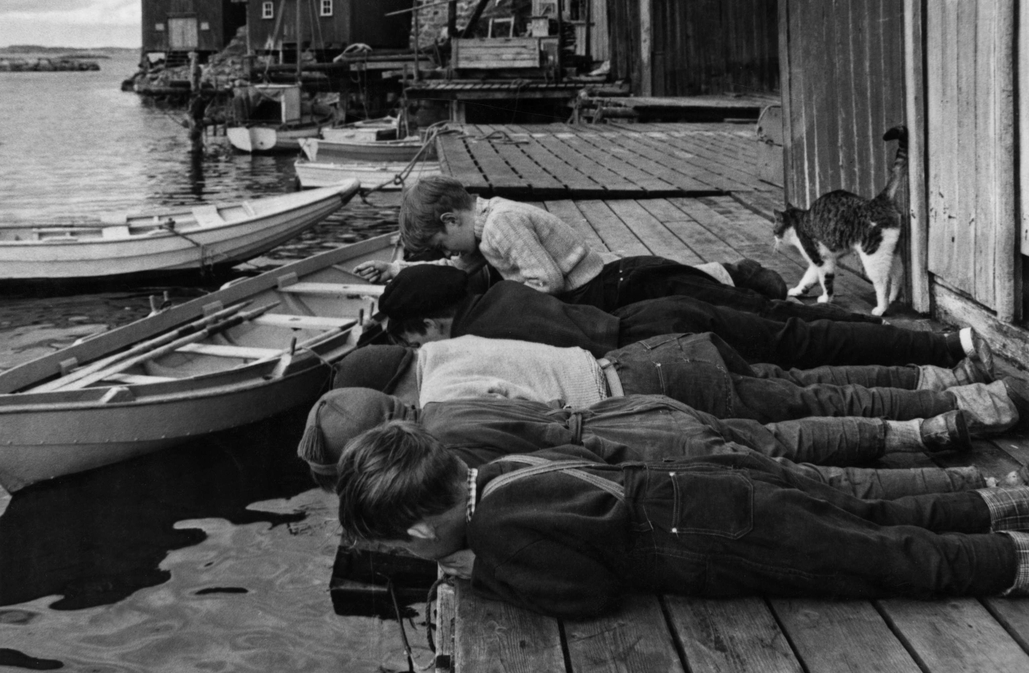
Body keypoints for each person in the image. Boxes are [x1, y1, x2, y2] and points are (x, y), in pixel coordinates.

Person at [334, 422, 1029, 617]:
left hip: (722, 535)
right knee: (865, 512)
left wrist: (483, 574)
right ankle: (998, 500)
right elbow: (580, 458)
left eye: (403, 546)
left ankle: (1012, 559)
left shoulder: (496, 535)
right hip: (707, 482)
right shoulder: (507, 469)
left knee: (881, 559)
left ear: (422, 532)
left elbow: (583, 595)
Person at [298, 386, 998, 501]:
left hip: (635, 453)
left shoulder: (441, 447)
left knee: (805, 483)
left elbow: (550, 470)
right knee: (776, 437)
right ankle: (919, 432)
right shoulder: (443, 403)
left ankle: (972, 490)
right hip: (625, 410)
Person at [373, 264, 991, 381]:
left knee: (787, 375)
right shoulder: (504, 292)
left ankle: (932, 372)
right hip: (649, 311)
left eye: (413, 336)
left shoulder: (480, 340)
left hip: (650, 343)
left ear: (431, 323)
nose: (418, 347)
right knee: (796, 336)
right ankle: (943, 345)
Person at [326, 333, 1029, 431]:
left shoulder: (444, 396)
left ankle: (982, 403)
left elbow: (519, 410)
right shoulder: (446, 343)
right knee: (797, 380)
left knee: (809, 403)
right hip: (642, 355)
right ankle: (943, 374)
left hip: (632, 394)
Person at [381, 177, 824, 316]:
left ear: (451, 219)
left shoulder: (500, 226)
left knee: (695, 296)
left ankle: (747, 277)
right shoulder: (484, 218)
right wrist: (402, 273)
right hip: (602, 272)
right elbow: (465, 262)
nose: (452, 251)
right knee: (680, 281)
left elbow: (547, 281)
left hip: (600, 287)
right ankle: (735, 273)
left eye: (444, 242)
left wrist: (504, 301)